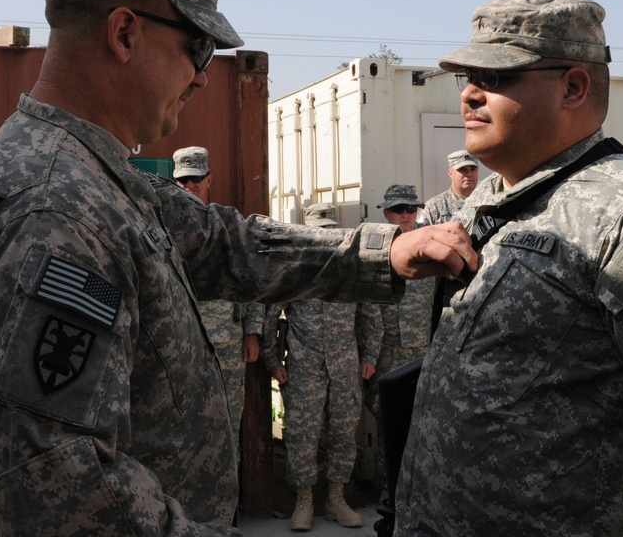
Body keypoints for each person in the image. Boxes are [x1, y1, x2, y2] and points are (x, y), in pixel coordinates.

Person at [0, 0, 476, 535]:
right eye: (197, 47)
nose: (202, 77)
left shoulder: (92, 175)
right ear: (125, 32)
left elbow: (222, 242)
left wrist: (381, 252)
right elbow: (60, 490)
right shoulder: (55, 212)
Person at [396, 0, 623, 536]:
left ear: (573, 87)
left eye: (495, 77)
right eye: (465, 78)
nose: (470, 95)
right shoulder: (494, 198)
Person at [261, 202, 382, 532]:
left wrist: (369, 356)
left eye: (331, 232)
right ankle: (304, 499)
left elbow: (371, 317)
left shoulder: (353, 272)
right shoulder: (296, 273)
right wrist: (273, 362)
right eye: (320, 233)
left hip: (345, 366)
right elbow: (270, 317)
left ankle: (336, 498)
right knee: (303, 436)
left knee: (344, 433)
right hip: (304, 367)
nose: (326, 238)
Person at [172, 145, 263, 455]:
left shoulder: (227, 227)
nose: (189, 186)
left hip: (226, 346)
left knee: (226, 427)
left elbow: (250, 281)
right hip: (183, 348)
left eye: (196, 178)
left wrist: (252, 331)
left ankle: (230, 504)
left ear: (209, 179)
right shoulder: (162, 228)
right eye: (183, 180)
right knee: (185, 432)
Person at [370, 185, 436, 495]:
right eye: (399, 209)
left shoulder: (431, 244)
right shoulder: (374, 248)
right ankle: (390, 488)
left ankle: (419, 488)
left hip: (424, 349)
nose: (406, 215)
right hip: (386, 351)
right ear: (386, 212)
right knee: (388, 421)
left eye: (411, 209)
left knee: (424, 419)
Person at [422, 150, 479, 225]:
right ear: (450, 173)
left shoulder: (488, 201)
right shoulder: (434, 207)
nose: (469, 174)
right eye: (463, 170)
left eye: (473, 169)